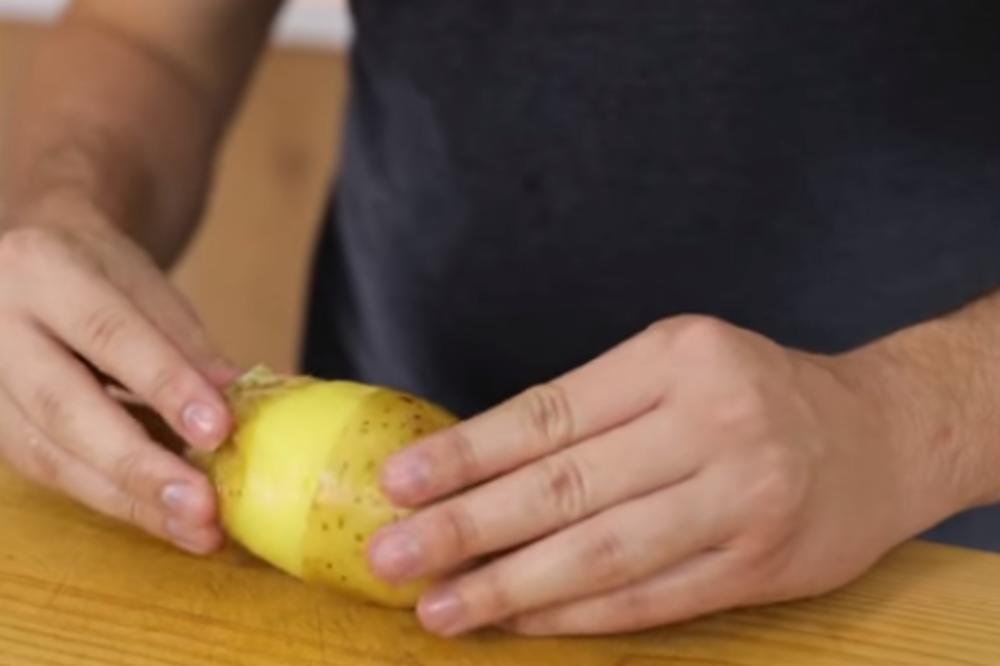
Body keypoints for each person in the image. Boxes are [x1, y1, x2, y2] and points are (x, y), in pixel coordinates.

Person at [1, 0, 999, 638]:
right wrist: (63, 204)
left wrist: (904, 423)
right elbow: (150, 35)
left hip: (927, 557)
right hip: (387, 569)